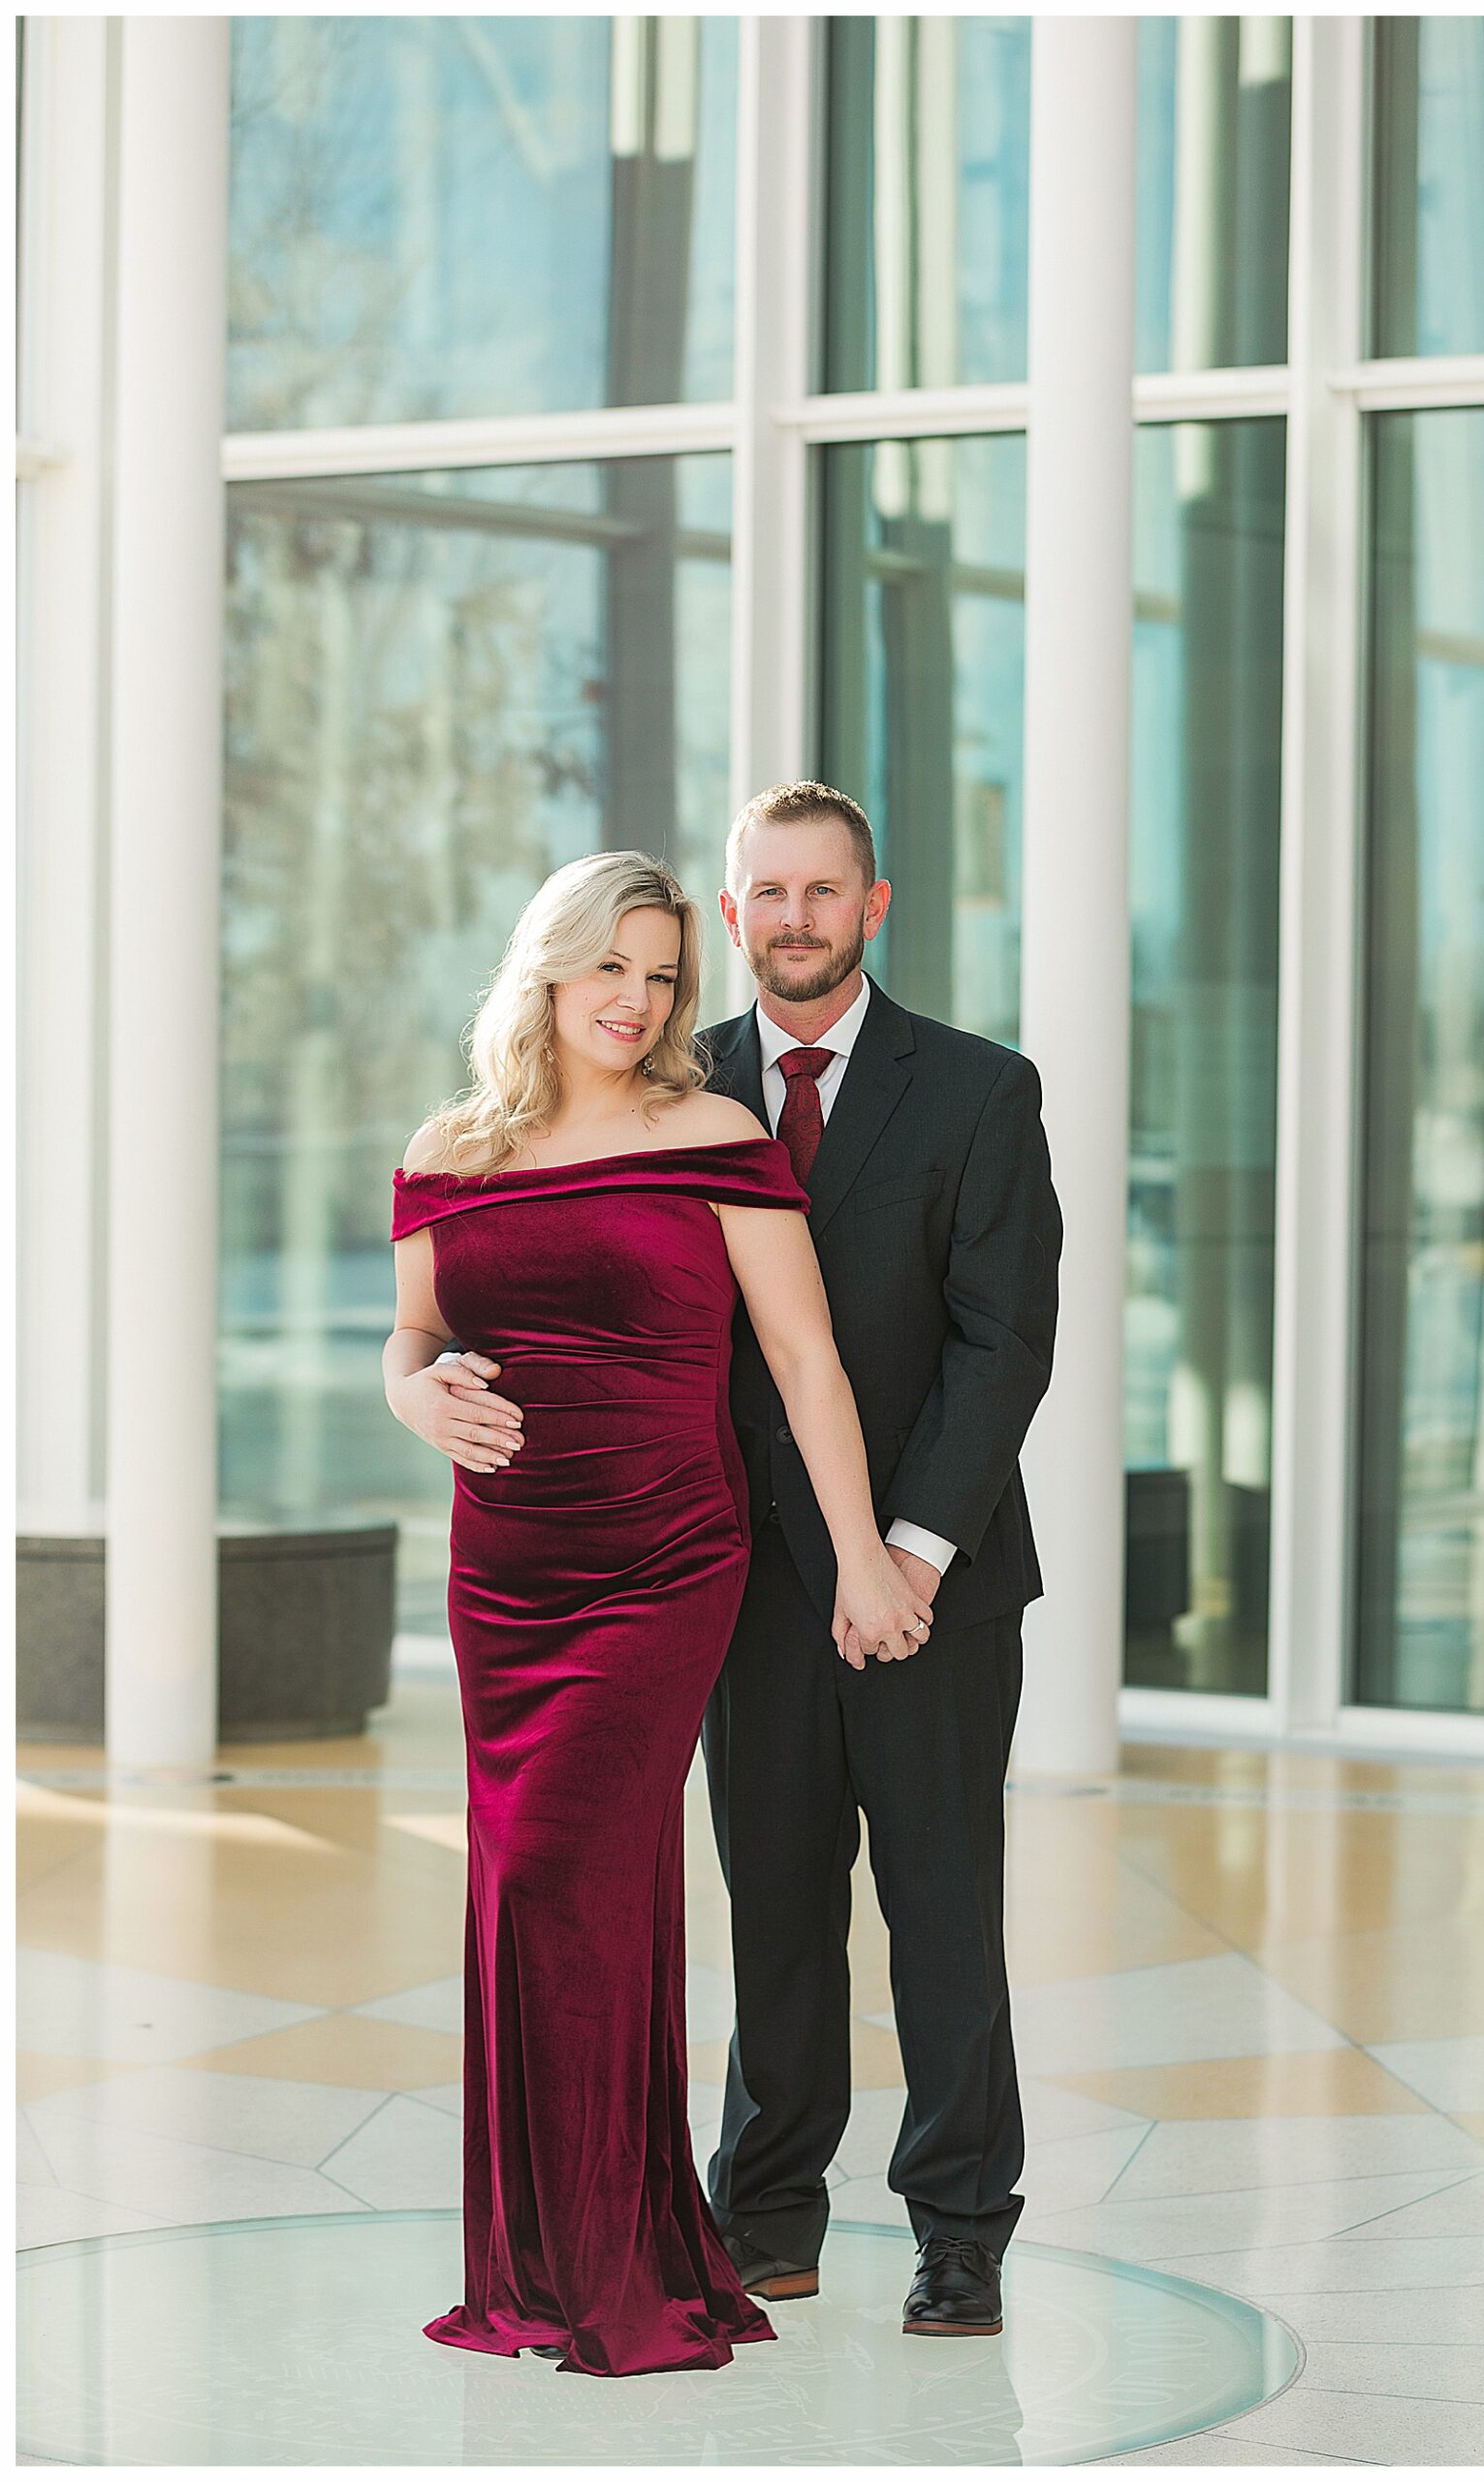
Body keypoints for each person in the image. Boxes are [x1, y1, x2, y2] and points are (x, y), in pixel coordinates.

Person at [383, 849, 931, 2379]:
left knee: (563, 1864)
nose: (636, 1001)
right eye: (609, 967)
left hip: (660, 1561)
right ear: (546, 968)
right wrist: (406, 1392)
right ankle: (549, 2262)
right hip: (504, 1570)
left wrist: (864, 1561)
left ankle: (610, 2263)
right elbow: (416, 1333)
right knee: (538, 1888)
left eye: (663, 975)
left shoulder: (713, 1132)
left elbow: (806, 1365)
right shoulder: (450, 1145)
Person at [700, 780, 1063, 2340]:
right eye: (765, 893)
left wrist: (902, 1553)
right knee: (774, 1910)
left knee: (939, 1912)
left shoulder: (978, 1091)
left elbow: (1003, 1347)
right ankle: (765, 2215)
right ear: (731, 916)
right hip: (746, 1593)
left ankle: (959, 2230)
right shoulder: (676, 1086)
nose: (793, 918)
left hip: (937, 1588)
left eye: (821, 892)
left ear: (874, 904)